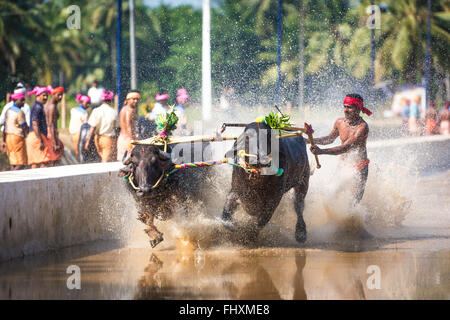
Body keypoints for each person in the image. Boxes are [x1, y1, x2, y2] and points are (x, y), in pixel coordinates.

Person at [308, 93, 371, 204]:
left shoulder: (362, 127)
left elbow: (345, 147)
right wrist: (308, 140)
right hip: (343, 165)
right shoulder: (339, 122)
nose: (345, 110)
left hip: (359, 168)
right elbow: (329, 139)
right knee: (331, 196)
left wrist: (321, 151)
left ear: (358, 109)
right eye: (344, 106)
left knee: (353, 204)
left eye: (349, 107)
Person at [26, 86, 57, 168]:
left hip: (35, 135)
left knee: (36, 162)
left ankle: (35, 180)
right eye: (43, 95)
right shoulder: (37, 107)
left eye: (47, 95)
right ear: (38, 95)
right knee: (45, 161)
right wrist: (40, 140)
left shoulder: (38, 106)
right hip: (37, 136)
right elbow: (35, 124)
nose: (46, 97)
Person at [85, 90, 118, 162]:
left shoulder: (96, 111)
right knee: (106, 160)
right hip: (108, 139)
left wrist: (88, 141)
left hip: (97, 138)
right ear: (110, 100)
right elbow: (116, 128)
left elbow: (92, 127)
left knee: (101, 157)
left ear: (102, 100)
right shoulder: (113, 112)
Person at [1, 92, 29, 170]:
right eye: (22, 100)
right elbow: (24, 127)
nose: (23, 102)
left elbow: (5, 127)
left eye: (24, 100)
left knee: (13, 162)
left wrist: (4, 141)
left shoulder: (8, 111)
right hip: (17, 138)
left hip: (8, 137)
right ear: (16, 100)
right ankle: (15, 178)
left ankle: (12, 180)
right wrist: (28, 133)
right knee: (21, 163)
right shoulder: (19, 112)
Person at [117, 90, 140, 161]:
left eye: (137, 99)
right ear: (128, 100)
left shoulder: (124, 109)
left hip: (123, 139)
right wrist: (132, 140)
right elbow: (128, 126)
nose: (136, 101)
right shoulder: (129, 110)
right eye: (133, 99)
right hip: (128, 139)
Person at [45, 87, 65, 165]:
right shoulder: (52, 107)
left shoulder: (47, 105)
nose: (60, 97)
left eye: (61, 95)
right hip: (51, 134)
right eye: (58, 95)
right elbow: (51, 125)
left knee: (51, 159)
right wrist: (55, 143)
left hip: (49, 133)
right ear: (53, 95)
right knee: (56, 157)